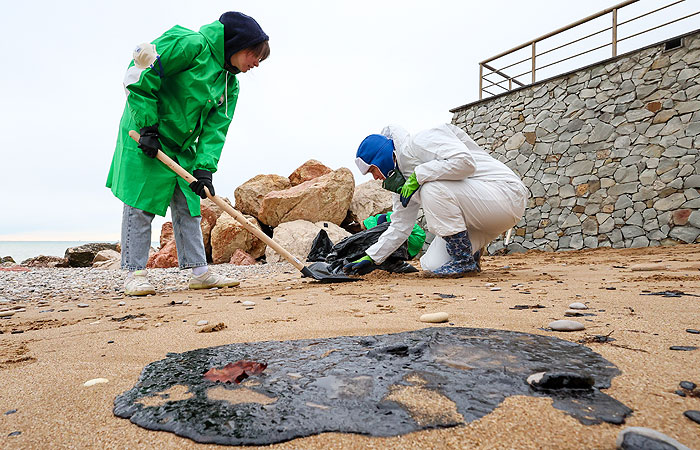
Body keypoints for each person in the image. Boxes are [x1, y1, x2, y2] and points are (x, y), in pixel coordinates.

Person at [106, 12, 270, 296]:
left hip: (182, 146)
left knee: (189, 203)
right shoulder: (191, 45)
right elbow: (141, 73)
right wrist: (148, 127)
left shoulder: (230, 85)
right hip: (146, 131)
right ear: (237, 44)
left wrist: (205, 168)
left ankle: (199, 272)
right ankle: (134, 274)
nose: (256, 64)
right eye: (254, 55)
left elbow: (215, 130)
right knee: (141, 203)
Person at [345, 123, 527, 277]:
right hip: (481, 218)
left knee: (431, 188)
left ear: (381, 159)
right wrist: (372, 257)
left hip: (504, 194)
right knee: (431, 265)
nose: (375, 177)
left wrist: (419, 176)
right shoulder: (401, 183)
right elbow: (400, 226)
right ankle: (471, 255)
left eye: (372, 170)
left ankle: (463, 259)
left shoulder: (420, 142)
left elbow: (466, 163)